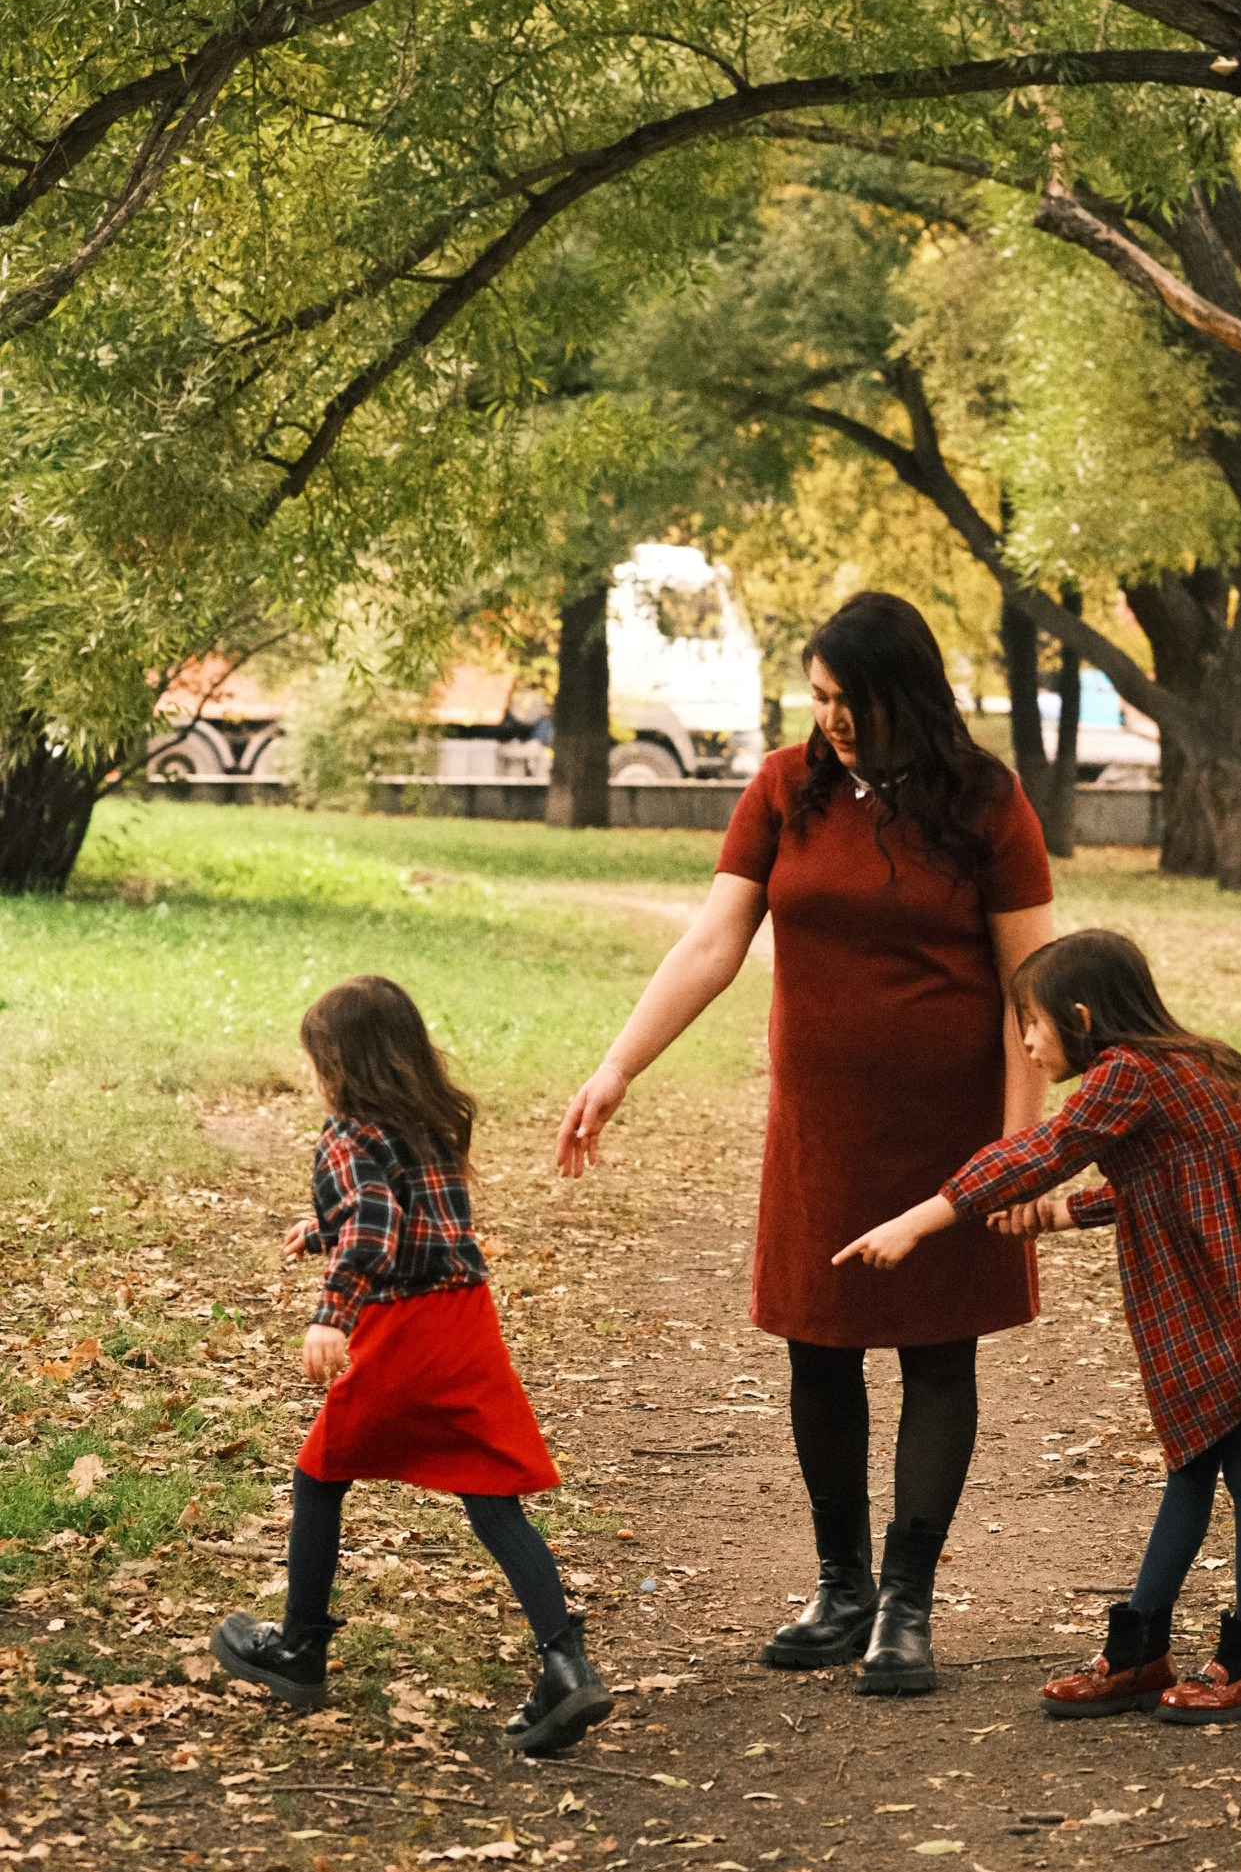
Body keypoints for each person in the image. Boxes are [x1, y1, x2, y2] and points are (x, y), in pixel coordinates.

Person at [557, 591, 1056, 1696]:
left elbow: (1035, 990)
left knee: (938, 1351)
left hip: (952, 1131)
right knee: (816, 1344)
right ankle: (842, 1592)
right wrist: (617, 1065)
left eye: (849, 699)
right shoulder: (788, 789)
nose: (829, 717)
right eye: (818, 696)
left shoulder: (985, 800)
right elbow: (710, 942)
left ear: (903, 694)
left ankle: (908, 1606)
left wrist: (1022, 1149)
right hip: (820, 1132)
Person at [836, 926, 1241, 1726]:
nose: (1024, 1041)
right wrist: (1061, 1215)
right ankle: (1141, 1648)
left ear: (1081, 1015)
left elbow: (1047, 1148)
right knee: (1195, 1459)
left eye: (1032, 1023)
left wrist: (921, 1220)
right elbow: (1179, 1180)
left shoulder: (1129, 1072)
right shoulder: (1188, 1063)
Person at [211, 976, 611, 1760]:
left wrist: (332, 1315)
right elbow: (403, 1215)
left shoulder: (346, 1133)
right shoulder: (430, 1121)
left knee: (319, 1474)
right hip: (466, 1321)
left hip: (404, 1329)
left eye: (318, 1061)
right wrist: (321, 1229)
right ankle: (566, 1665)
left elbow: (376, 1229)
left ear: (342, 1064)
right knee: (495, 1499)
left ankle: (299, 1647)